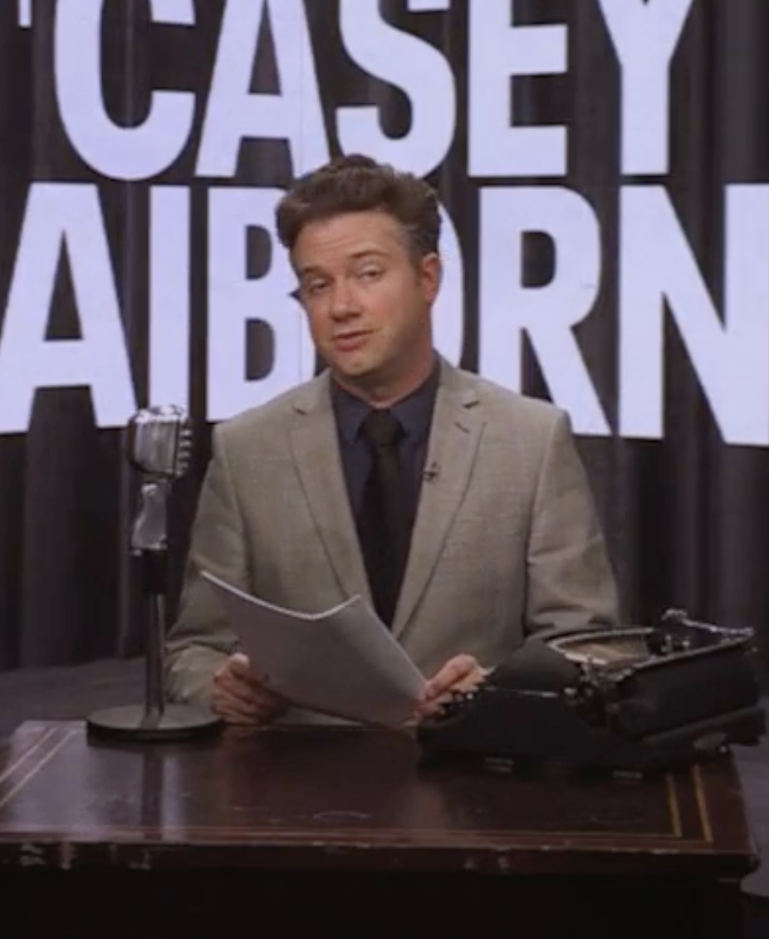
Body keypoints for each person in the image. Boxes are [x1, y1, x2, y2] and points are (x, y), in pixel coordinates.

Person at [162, 155, 622, 727]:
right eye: (317, 285)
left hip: (474, 792)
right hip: (293, 799)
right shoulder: (246, 449)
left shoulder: (530, 440)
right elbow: (191, 651)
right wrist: (221, 689)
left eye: (368, 273)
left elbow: (588, 649)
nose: (341, 307)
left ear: (428, 279)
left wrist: (500, 696)